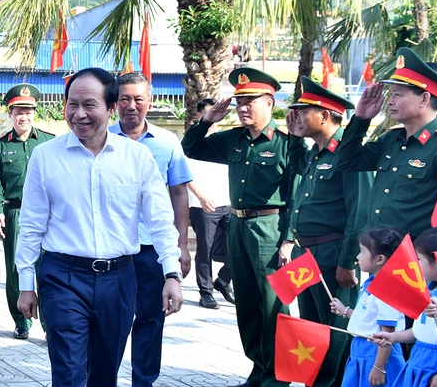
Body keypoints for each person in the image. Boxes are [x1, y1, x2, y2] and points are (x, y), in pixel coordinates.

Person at [16, 68, 183, 387]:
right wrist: (26, 283)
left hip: (119, 280)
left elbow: (160, 220)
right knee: (68, 372)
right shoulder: (45, 157)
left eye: (89, 104)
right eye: (72, 104)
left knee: (105, 375)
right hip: (62, 277)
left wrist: (171, 275)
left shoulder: (137, 158)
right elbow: (32, 223)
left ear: (110, 109)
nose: (79, 114)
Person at [181, 67, 303, 387]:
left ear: (270, 102)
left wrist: (289, 239)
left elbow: (297, 196)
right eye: (239, 102)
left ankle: (280, 374)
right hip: (238, 224)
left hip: (270, 228)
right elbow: (191, 148)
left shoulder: (286, 143)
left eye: (250, 101)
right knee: (247, 305)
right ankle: (259, 367)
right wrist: (208, 121)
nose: (243, 107)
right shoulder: (234, 139)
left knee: (274, 305)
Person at [282, 77, 371, 386]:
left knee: (335, 334)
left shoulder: (346, 153)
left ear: (325, 114)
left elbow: (359, 212)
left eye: (303, 111)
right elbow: (294, 164)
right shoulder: (315, 153)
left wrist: (349, 261)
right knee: (310, 331)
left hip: (333, 256)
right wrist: (293, 136)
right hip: (306, 254)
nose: (296, 117)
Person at [110, 72, 192, 387]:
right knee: (110, 321)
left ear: (150, 101)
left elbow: (179, 193)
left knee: (150, 319)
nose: (131, 106)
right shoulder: (101, 138)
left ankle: (143, 382)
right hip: (112, 249)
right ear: (115, 103)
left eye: (138, 99)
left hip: (153, 251)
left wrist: (182, 245)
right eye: (125, 99)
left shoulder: (167, 143)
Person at [338, 47, 437, 239]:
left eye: (398, 94)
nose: (390, 101)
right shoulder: (392, 139)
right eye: (391, 94)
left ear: (424, 99)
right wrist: (361, 119)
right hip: (378, 254)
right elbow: (347, 162)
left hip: (416, 258)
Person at [0, 83, 54, 339]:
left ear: (34, 113)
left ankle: (49, 324)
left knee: (46, 267)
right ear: (10, 114)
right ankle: (21, 320)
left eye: (28, 111)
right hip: (15, 214)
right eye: (18, 112)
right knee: (16, 268)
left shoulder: (49, 142)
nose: (24, 117)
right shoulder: (0, 147)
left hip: (46, 216)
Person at [372, 226, 437, 387]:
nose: (414, 263)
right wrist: (394, 337)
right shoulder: (427, 292)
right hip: (418, 359)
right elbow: (421, 331)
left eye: (418, 259)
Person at [331, 228, 406, 387]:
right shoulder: (371, 284)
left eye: (362, 252)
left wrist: (379, 367)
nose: (357, 257)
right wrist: (345, 311)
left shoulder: (387, 290)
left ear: (379, 259)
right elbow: (369, 318)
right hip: (361, 350)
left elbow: (387, 334)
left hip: (377, 354)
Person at [187, 98, 235, 309]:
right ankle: (205, 292)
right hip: (202, 205)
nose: (215, 120)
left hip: (228, 204)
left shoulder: (224, 140)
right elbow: (184, 176)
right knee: (204, 250)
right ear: (200, 116)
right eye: (209, 115)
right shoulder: (191, 143)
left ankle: (223, 280)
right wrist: (202, 197)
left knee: (238, 247)